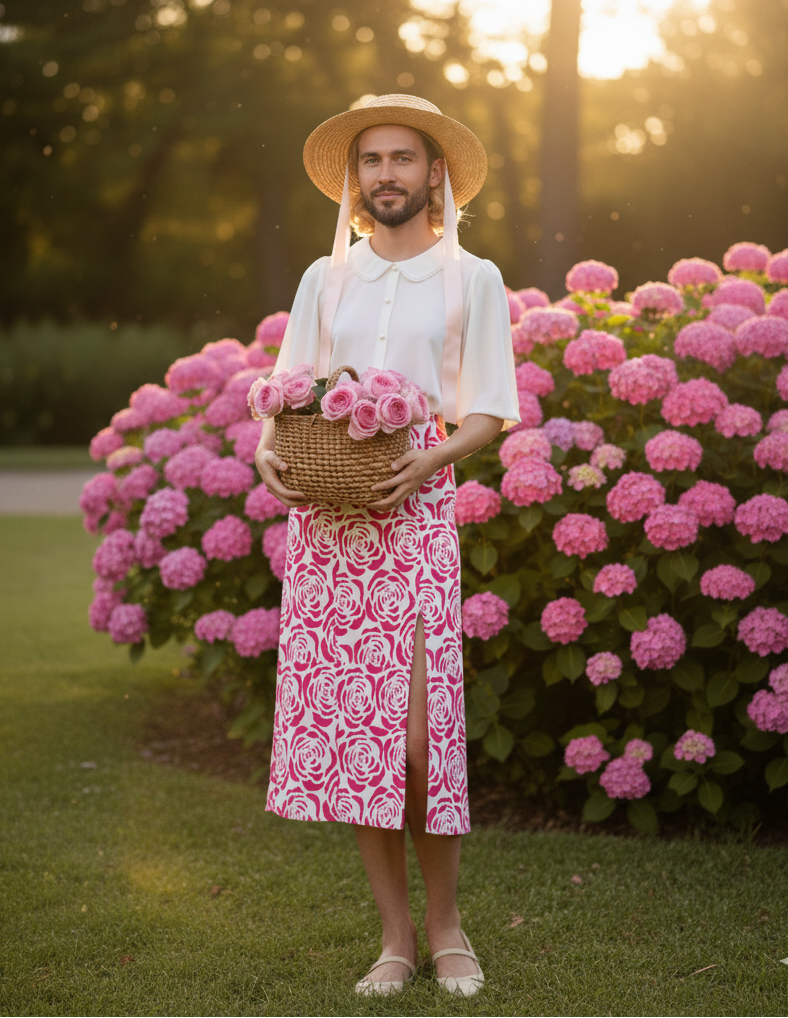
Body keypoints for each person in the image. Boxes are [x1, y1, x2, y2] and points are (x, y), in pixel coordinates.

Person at [254, 95, 520, 997]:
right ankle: (396, 941)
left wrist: (425, 463)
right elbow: (287, 390)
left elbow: (488, 408)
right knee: (362, 738)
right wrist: (264, 453)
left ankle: (450, 930)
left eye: (404, 159)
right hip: (329, 526)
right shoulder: (324, 279)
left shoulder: (471, 278)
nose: (387, 175)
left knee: (414, 738)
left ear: (435, 172)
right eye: (372, 161)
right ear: (354, 178)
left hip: (414, 513)